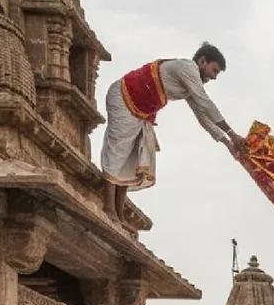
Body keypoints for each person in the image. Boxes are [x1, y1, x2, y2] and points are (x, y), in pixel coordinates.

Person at [100, 42, 247, 234]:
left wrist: (228, 143)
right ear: (202, 61)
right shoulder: (187, 68)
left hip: (142, 110)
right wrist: (232, 133)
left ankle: (118, 215)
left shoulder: (191, 84)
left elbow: (203, 116)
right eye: (214, 70)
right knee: (119, 151)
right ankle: (108, 208)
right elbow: (205, 101)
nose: (214, 76)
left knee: (132, 157)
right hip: (124, 96)